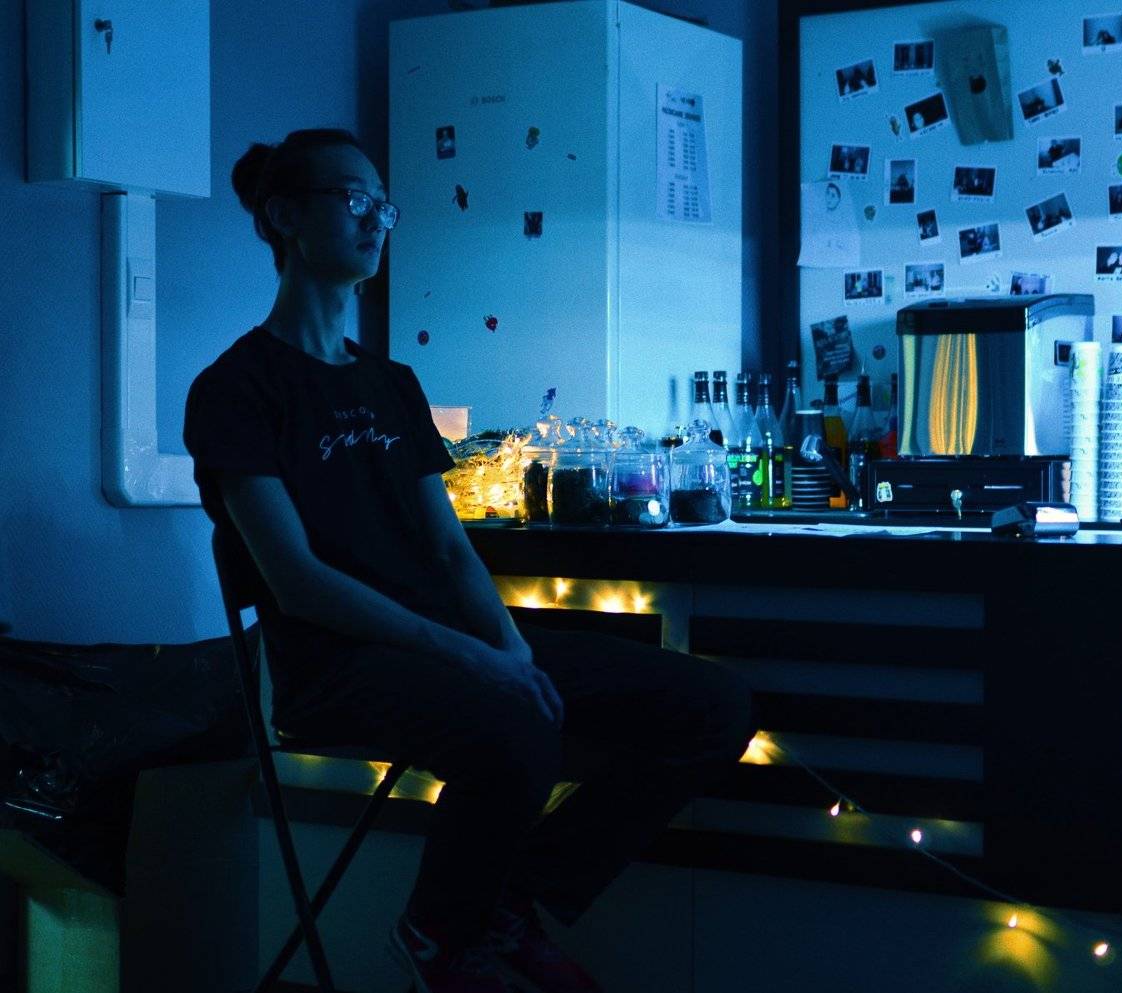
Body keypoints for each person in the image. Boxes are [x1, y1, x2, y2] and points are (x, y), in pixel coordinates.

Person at [182, 128, 756, 993]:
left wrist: (509, 648)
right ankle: (442, 941)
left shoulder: (392, 384)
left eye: (383, 206)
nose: (375, 220)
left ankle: (501, 904)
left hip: (447, 647)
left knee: (712, 703)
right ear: (283, 217)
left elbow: (449, 548)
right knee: (514, 725)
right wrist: (475, 658)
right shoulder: (234, 389)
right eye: (352, 198)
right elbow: (297, 581)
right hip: (336, 666)